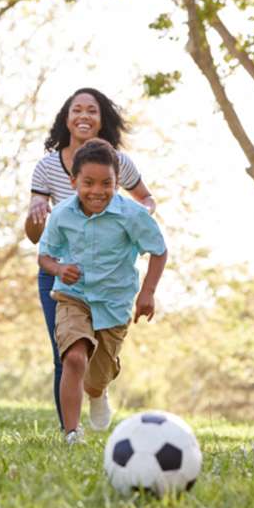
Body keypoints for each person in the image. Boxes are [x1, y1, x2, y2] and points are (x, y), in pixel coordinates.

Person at [25, 88, 156, 428]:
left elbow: (146, 200)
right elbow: (37, 237)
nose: (84, 116)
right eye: (76, 110)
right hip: (63, 274)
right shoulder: (47, 167)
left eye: (92, 110)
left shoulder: (119, 163)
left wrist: (132, 221)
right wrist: (35, 213)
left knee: (97, 362)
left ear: (102, 119)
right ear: (66, 118)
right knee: (69, 353)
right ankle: (69, 429)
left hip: (111, 279)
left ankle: (97, 392)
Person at [37, 139, 168, 444]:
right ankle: (71, 432)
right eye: (88, 183)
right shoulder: (62, 215)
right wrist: (58, 270)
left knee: (95, 379)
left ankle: (98, 392)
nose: (98, 191)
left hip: (115, 301)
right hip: (74, 296)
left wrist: (147, 293)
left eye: (107, 183)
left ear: (118, 182)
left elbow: (159, 250)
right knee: (73, 358)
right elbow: (45, 255)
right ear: (73, 182)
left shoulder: (132, 215)